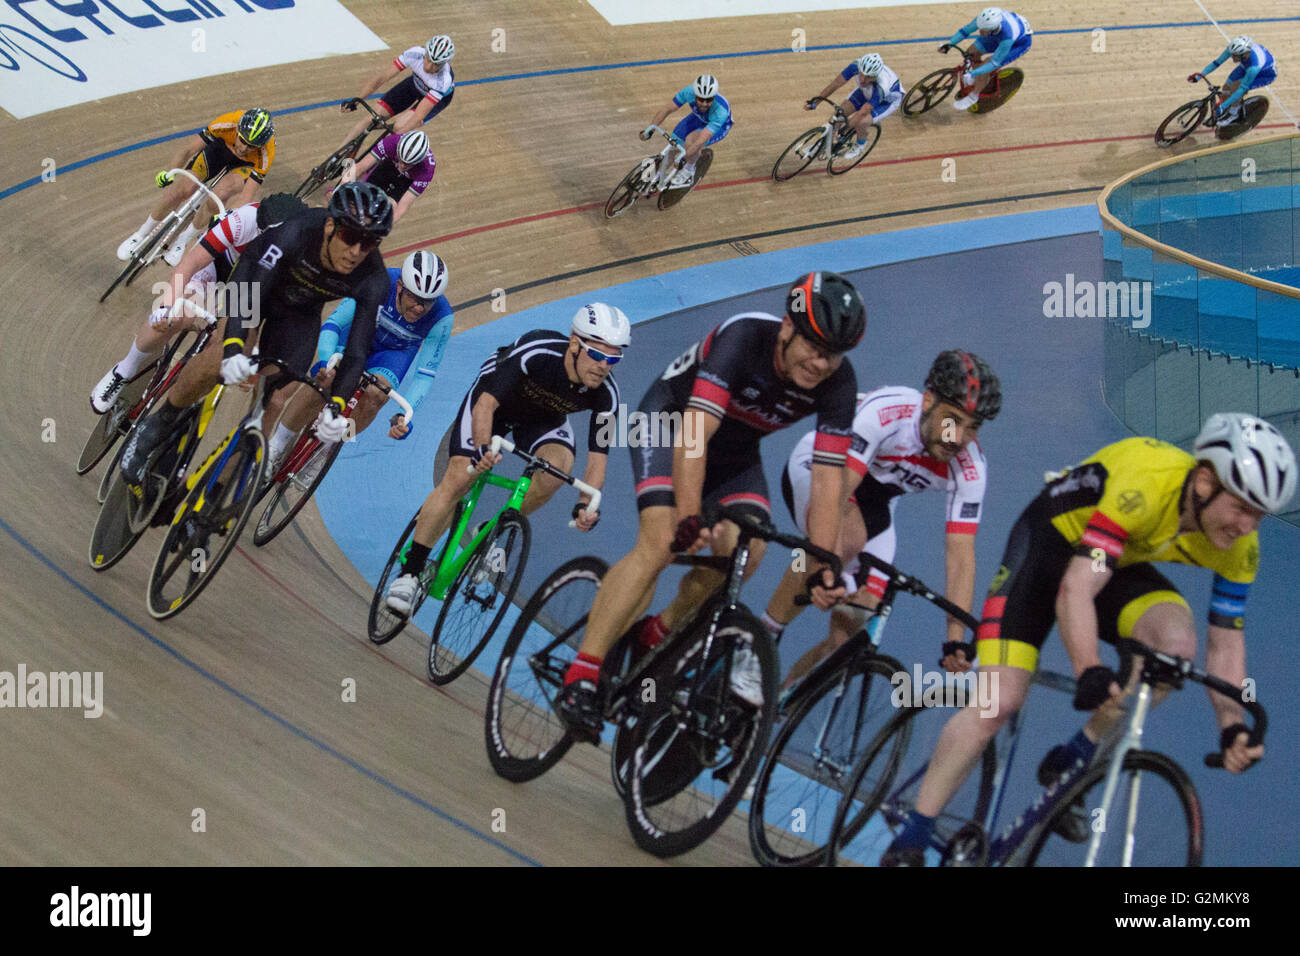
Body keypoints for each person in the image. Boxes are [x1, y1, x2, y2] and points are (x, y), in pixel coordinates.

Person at [879, 414, 1295, 866]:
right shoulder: (1145, 483)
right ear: (1204, 481)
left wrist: (1231, 724)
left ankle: (1075, 755)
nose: (1247, 527)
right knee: (997, 702)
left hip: (1115, 561)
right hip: (1046, 548)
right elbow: (1075, 587)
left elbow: (1226, 644)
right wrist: (1089, 668)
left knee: (1174, 652)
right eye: (1242, 508)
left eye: (1259, 515)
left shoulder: (1242, 548)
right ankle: (912, 836)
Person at [556, 272, 865, 742]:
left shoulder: (839, 383)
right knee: (661, 542)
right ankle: (581, 674)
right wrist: (688, 516)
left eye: (834, 355)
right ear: (787, 328)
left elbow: (828, 482)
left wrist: (823, 564)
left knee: (748, 553)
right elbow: (694, 434)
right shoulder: (743, 338)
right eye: (814, 347)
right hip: (667, 423)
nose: (822, 364)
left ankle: (655, 635)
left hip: (735, 455)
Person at [119, 182, 393, 488]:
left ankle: (215, 498)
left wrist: (336, 408)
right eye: (350, 236)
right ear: (330, 226)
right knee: (221, 357)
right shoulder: (297, 233)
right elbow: (248, 297)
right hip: (254, 285)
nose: (356, 251)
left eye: (368, 242)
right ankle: (161, 421)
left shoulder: (373, 277)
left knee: (273, 402)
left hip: (299, 314)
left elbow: (357, 351)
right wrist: (235, 348)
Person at [767, 351, 1000, 698]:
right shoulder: (887, 414)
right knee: (843, 544)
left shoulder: (970, 467)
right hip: (823, 469)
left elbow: (961, 557)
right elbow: (838, 495)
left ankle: (771, 714)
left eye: (973, 427)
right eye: (953, 420)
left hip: (877, 503)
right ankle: (759, 638)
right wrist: (821, 566)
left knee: (849, 635)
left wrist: (955, 639)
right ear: (928, 400)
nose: (958, 437)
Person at [383, 304, 628, 615]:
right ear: (576, 343)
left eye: (614, 358)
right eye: (597, 355)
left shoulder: (608, 395)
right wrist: (484, 447)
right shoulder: (537, 350)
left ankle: (490, 528)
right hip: (495, 403)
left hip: (543, 418)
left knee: (557, 469)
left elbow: (598, 461)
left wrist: (585, 503)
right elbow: (485, 406)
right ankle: (410, 573)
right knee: (460, 478)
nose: (604, 366)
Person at [91, 194, 308, 415]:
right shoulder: (245, 219)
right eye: (261, 232)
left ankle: (180, 411)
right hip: (216, 264)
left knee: (222, 349)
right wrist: (167, 306)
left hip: (248, 287)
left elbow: (272, 313)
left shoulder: (299, 251)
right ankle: (124, 370)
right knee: (179, 315)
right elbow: (191, 262)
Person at [262, 250, 453, 473]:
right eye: (415, 299)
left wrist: (405, 416)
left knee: (377, 395)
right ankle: (278, 444)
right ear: (400, 287)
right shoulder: (379, 283)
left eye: (427, 302)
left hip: (392, 355)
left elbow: (425, 374)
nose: (420, 308)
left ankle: (328, 449)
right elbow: (334, 324)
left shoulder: (442, 316)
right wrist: (326, 361)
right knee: (325, 378)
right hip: (358, 337)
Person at [117, 108, 276, 268]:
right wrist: (169, 173)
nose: (244, 148)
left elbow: (246, 198)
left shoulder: (266, 153)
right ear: (238, 129)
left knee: (219, 195)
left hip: (245, 165)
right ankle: (140, 234)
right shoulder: (228, 122)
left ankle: (183, 240)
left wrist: (229, 217)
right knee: (179, 190)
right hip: (221, 149)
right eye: (243, 140)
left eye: (251, 146)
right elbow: (189, 150)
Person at [338, 34, 455, 149]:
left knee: (399, 128)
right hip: (415, 84)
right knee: (369, 120)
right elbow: (382, 78)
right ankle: (336, 158)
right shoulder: (415, 54)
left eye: (436, 65)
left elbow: (418, 116)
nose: (429, 67)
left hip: (436, 100)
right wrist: (357, 100)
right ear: (425, 53)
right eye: (428, 59)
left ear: (445, 63)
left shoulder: (443, 80)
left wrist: (396, 136)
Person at [803, 52, 905, 160]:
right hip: (866, 91)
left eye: (868, 77)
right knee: (839, 114)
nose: (862, 80)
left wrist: (844, 131)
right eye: (861, 74)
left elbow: (863, 112)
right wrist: (816, 102)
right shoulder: (856, 66)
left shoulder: (883, 86)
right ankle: (822, 144)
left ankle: (860, 144)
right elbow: (836, 83)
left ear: (875, 76)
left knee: (861, 122)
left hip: (886, 102)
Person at [640, 74, 733, 189]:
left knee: (691, 142)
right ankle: (657, 176)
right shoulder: (688, 92)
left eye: (708, 100)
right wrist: (650, 129)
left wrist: (683, 158)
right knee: (673, 145)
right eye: (700, 99)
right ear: (695, 95)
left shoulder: (721, 111)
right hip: (698, 118)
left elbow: (700, 141)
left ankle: (689, 169)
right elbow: (666, 109)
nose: (704, 104)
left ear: (714, 97)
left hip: (719, 126)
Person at [942, 7, 1033, 111]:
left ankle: (973, 97)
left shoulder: (1007, 37)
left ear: (993, 28)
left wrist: (973, 73)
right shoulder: (984, 18)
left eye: (983, 30)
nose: (980, 32)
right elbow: (965, 31)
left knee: (986, 66)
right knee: (971, 53)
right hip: (1001, 32)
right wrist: (950, 44)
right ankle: (980, 80)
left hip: (1018, 44)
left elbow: (994, 63)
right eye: (980, 28)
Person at [342, 129, 435, 225]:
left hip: (406, 180)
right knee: (362, 190)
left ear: (419, 161)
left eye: (408, 164)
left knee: (391, 207)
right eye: (401, 160)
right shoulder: (391, 142)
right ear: (398, 149)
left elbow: (402, 206)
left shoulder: (426, 170)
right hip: (389, 165)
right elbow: (360, 167)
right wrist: (339, 190)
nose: (402, 166)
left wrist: (382, 229)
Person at [1190, 35, 1276, 127]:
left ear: (1244, 54)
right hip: (1247, 65)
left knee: (1237, 87)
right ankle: (1227, 109)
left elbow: (1241, 89)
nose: (1232, 57)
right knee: (1227, 86)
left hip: (1264, 75)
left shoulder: (1254, 67)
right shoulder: (1233, 49)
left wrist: (1222, 106)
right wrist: (1200, 75)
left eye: (1235, 56)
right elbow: (1217, 63)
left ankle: (1233, 114)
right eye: (1232, 54)